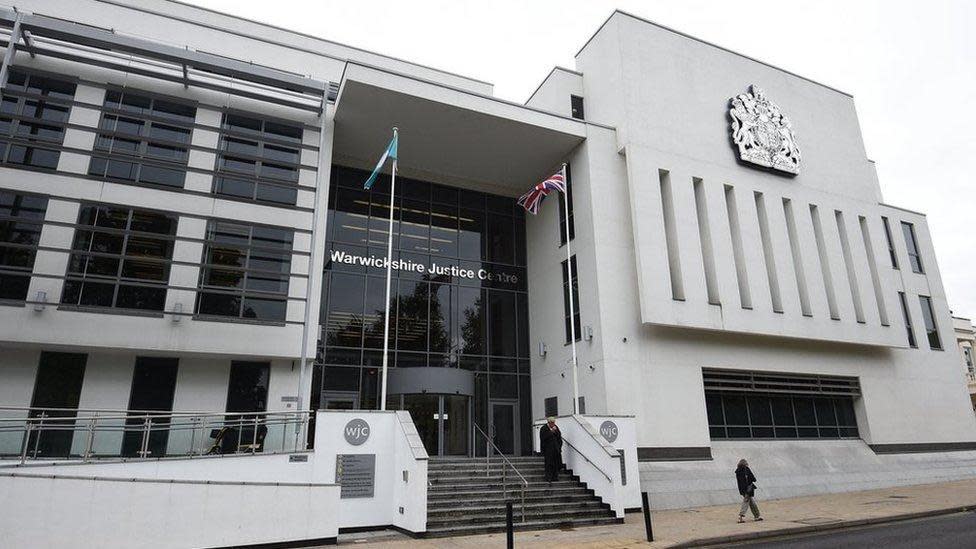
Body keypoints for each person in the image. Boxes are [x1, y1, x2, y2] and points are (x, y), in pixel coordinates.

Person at [735, 458, 763, 523]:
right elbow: (753, 479)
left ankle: (757, 516)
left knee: (752, 503)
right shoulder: (746, 469)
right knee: (746, 502)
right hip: (748, 489)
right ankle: (741, 516)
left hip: (742, 490)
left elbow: (740, 482)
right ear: (745, 464)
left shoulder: (737, 471)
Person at [539, 417, 563, 482]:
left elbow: (559, 437)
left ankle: (555, 477)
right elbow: (543, 438)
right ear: (548, 423)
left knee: (556, 463)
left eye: (554, 423)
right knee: (549, 464)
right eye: (552, 423)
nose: (553, 424)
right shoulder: (544, 428)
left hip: (555, 449)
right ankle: (548, 477)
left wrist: (559, 447)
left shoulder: (556, 428)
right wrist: (551, 432)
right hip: (548, 450)